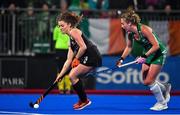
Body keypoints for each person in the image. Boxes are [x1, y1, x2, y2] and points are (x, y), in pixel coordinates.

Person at [116, 9, 171, 111]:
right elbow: (128, 47)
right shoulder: (130, 34)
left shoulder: (144, 29)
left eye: (123, 24)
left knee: (150, 80)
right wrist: (121, 59)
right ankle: (165, 88)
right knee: (146, 82)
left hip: (158, 53)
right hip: (148, 53)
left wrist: (144, 57)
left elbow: (156, 46)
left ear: (129, 23)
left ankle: (162, 103)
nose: (121, 26)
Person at [55, 12, 102, 110]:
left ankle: (84, 100)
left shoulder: (74, 32)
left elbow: (83, 47)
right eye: (59, 26)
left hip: (92, 55)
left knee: (72, 75)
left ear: (69, 25)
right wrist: (61, 75)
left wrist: (76, 59)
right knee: (73, 76)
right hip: (87, 56)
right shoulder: (69, 39)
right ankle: (83, 99)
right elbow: (68, 60)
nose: (60, 28)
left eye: (62, 26)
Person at [53, 25, 72, 94]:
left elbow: (55, 39)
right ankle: (67, 89)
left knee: (61, 69)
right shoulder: (70, 27)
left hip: (60, 49)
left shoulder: (56, 28)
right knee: (67, 69)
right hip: (67, 49)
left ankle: (61, 89)